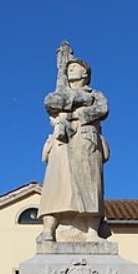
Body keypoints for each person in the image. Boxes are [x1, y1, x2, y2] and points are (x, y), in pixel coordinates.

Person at [37, 41, 111, 244]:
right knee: (57, 187)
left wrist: (77, 111)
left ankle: (92, 232)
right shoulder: (60, 93)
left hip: (86, 142)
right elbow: (50, 102)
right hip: (62, 144)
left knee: (91, 188)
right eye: (68, 67)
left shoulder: (96, 95)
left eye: (75, 67)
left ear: (85, 73)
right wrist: (75, 99)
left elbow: (102, 109)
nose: (70, 69)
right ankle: (49, 231)